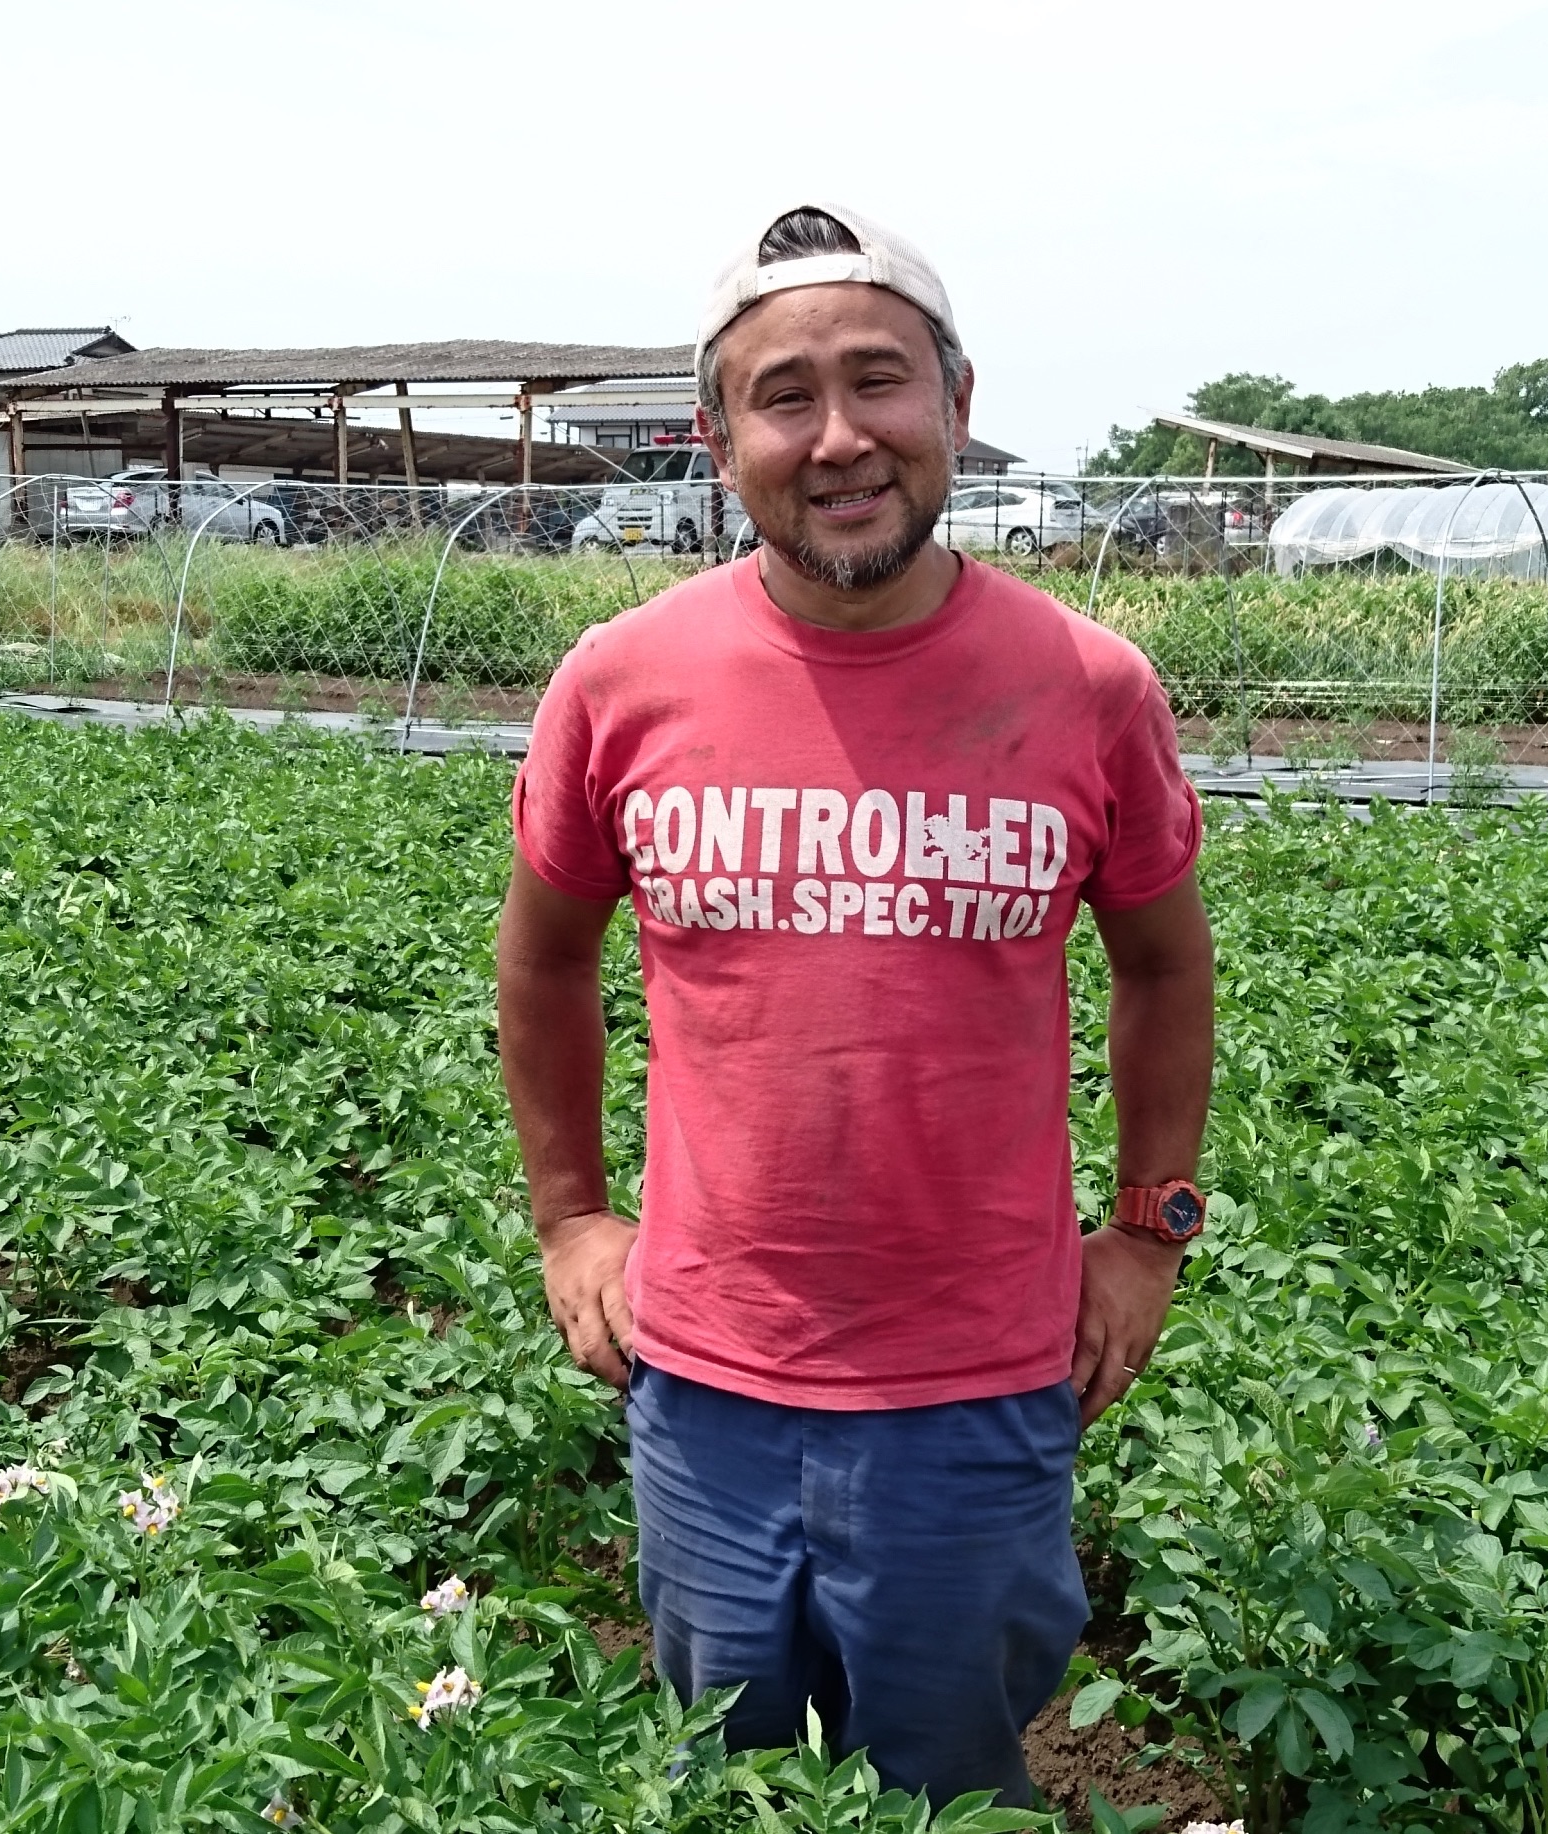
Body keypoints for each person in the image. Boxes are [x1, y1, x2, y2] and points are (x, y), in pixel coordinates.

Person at [497, 203, 1213, 1807]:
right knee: (736, 1778)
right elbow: (545, 954)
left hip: (978, 1388)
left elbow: (1161, 962)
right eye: (782, 395)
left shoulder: (1088, 686)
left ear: (956, 402)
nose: (838, 437)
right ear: (716, 437)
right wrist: (568, 1218)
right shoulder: (620, 677)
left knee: (952, 1776)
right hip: (702, 1389)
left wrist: (1150, 1228)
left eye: (878, 382)